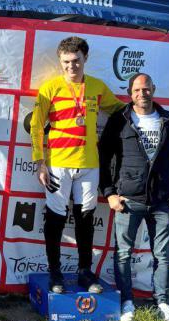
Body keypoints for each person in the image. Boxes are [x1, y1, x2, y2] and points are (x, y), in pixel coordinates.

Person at [31, 36, 124, 294]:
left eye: (76, 61)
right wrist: (40, 162)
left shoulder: (97, 87)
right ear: (60, 62)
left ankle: (84, 271)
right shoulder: (50, 88)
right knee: (55, 220)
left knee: (85, 219)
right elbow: (37, 126)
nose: (71, 67)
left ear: (85, 59)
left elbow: (118, 110)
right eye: (66, 62)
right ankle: (55, 272)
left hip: (89, 165)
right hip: (58, 165)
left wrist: (144, 110)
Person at [99, 73, 169, 321]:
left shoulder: (168, 120)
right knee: (123, 254)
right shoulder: (119, 120)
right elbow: (104, 159)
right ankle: (127, 301)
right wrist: (109, 193)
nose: (142, 94)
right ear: (130, 92)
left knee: (163, 254)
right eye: (137, 90)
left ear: (153, 89)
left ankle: (162, 303)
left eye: (146, 89)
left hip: (162, 200)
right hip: (128, 199)